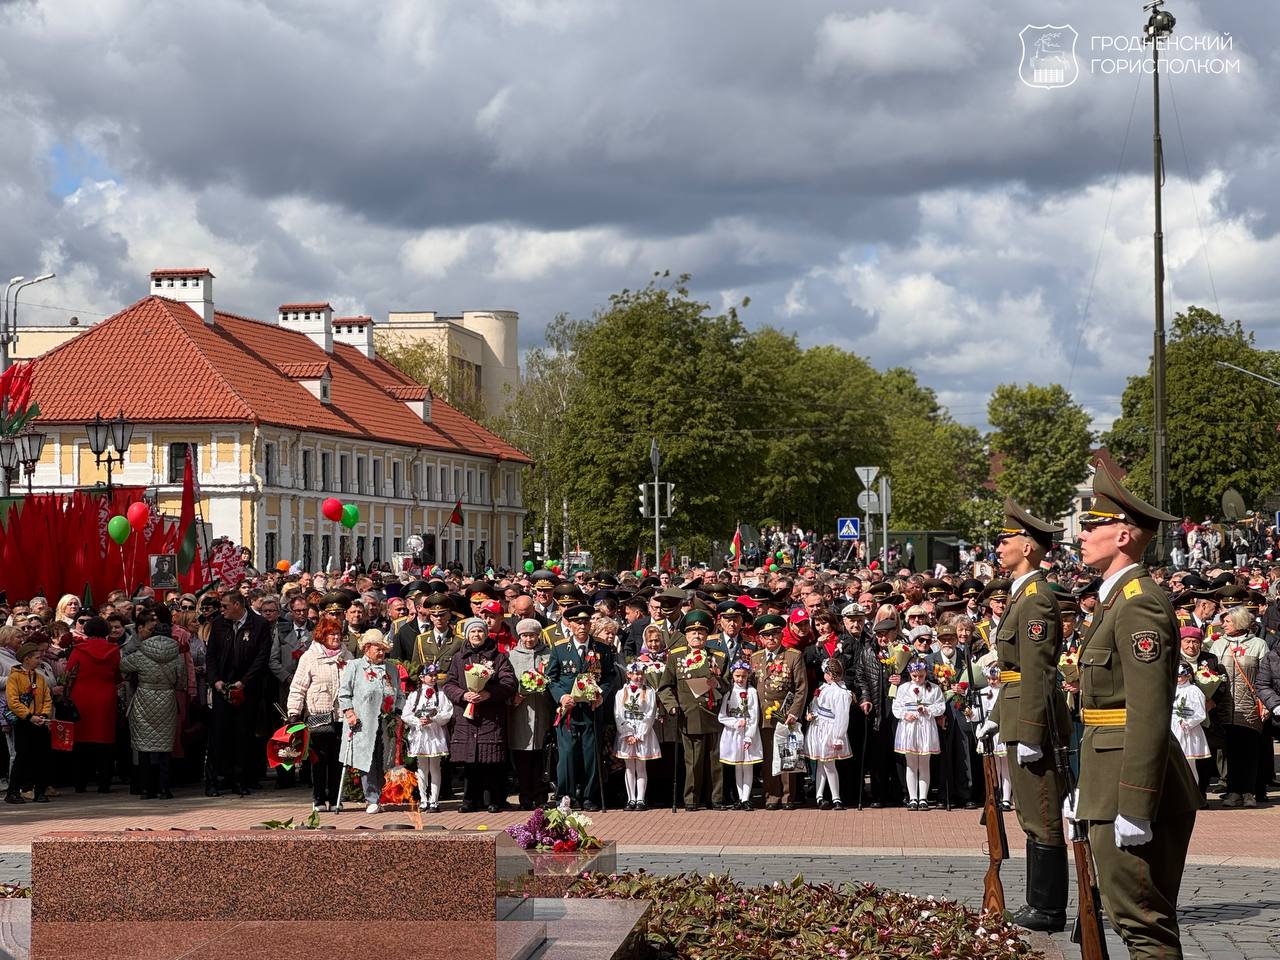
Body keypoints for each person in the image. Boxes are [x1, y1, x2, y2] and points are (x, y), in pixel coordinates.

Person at [1075, 462, 1199, 960]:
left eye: (1092, 525)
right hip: (1109, 779)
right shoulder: (1115, 602)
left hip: (1130, 786)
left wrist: (1136, 803)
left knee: (1144, 926)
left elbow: (1148, 710)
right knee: (1131, 919)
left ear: (1123, 535)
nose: (1082, 534)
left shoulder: (1137, 604)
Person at [984, 498, 1070, 932]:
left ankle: (1048, 908)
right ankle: (1038, 901)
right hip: (1018, 711)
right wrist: (999, 714)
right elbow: (1014, 672)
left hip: (1032, 718)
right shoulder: (1022, 595)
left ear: (1029, 547)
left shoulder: (1036, 599)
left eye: (1007, 540)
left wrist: (1032, 731)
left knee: (1042, 812)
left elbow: (1037, 671)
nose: (999, 547)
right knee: (1030, 813)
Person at [546, 604, 617, 810]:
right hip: (568, 711)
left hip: (591, 710)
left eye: (586, 622)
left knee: (590, 755)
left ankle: (589, 797)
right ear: (570, 624)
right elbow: (551, 677)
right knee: (567, 755)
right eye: (578, 623)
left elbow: (610, 676)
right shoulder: (560, 648)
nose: (582, 626)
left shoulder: (602, 648)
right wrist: (561, 697)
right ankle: (565, 796)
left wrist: (601, 694)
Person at [444, 617, 517, 813]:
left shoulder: (498, 657)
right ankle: (470, 800)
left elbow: (509, 682)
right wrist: (463, 695)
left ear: (486, 634)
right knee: (470, 762)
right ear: (467, 635)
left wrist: (489, 693)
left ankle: (495, 800)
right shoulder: (459, 658)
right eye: (473, 632)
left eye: (480, 631)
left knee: (491, 760)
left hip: (490, 716)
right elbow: (449, 684)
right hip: (467, 716)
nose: (477, 635)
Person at [658, 609, 728, 811]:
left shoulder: (718, 657)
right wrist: (672, 706)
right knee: (693, 761)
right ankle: (691, 799)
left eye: (701, 632)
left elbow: (728, 685)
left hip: (714, 714)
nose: (697, 636)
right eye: (693, 632)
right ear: (686, 635)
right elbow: (665, 687)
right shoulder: (676, 656)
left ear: (707, 635)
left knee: (715, 761)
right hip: (689, 714)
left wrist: (717, 682)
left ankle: (716, 798)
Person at [205, 590, 271, 796]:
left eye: (225, 606)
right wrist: (216, 681)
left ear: (237, 605)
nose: (222, 610)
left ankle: (239, 780)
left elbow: (261, 658)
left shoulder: (259, 624)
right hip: (222, 687)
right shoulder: (219, 624)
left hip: (247, 689)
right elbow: (211, 655)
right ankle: (214, 781)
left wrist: (244, 682)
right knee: (218, 736)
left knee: (243, 736)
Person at [1206, 606, 1269, 807]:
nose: (1223, 624)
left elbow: (1266, 675)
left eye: (1227, 621)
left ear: (1239, 622)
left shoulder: (1258, 645)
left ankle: (1249, 792)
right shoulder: (1218, 645)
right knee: (1230, 752)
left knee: (1250, 750)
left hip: (1250, 707)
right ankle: (1233, 791)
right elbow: (1209, 672)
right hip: (1224, 707)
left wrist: (1265, 702)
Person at [119, 605, 183, 799]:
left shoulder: (141, 652)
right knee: (165, 747)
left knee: (143, 746)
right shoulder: (177, 654)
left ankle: (146, 789)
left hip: (143, 698)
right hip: (167, 699)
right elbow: (181, 681)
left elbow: (123, 666)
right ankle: (164, 789)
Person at [338, 629, 401, 814]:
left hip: (386, 722)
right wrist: (349, 712)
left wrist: (398, 712)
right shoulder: (355, 666)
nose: (381, 653)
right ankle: (371, 798)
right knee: (367, 759)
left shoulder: (391, 668)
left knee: (384, 758)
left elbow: (400, 694)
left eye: (383, 649)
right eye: (377, 649)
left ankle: (381, 796)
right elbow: (344, 693)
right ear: (366, 648)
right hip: (362, 722)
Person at [286, 619, 347, 813]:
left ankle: (335, 798)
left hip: (341, 717)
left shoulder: (348, 656)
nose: (336, 637)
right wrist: (294, 713)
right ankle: (319, 798)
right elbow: (298, 687)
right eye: (331, 634)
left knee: (338, 760)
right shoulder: (309, 657)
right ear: (322, 636)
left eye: (338, 633)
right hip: (318, 715)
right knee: (318, 760)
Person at [749, 615, 807, 810]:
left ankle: (787, 797)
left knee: (787, 756)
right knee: (768, 757)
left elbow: (801, 688)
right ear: (760, 639)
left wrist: (794, 712)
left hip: (785, 714)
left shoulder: (793, 655)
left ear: (781, 635)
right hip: (764, 715)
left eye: (774, 634)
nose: (771, 638)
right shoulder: (755, 658)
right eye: (766, 635)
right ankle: (772, 796)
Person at [65, 616, 121, 793]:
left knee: (80, 741)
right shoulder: (114, 650)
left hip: (81, 697)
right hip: (105, 697)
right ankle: (104, 783)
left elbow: (69, 672)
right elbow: (118, 674)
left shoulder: (79, 649)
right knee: (105, 740)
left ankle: (79, 783)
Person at [507, 618, 553, 811]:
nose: (528, 639)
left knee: (542, 757)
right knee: (523, 758)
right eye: (525, 636)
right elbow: (507, 682)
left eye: (532, 635)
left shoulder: (548, 654)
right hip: (521, 714)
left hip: (543, 711)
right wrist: (513, 698)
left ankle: (541, 797)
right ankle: (525, 796)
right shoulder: (511, 656)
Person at [892, 659, 944, 810]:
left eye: (920, 676)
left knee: (924, 763)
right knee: (911, 764)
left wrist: (927, 710)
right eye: (914, 676)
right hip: (909, 728)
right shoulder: (903, 688)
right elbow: (896, 706)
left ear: (926, 673)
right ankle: (913, 797)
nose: (917, 679)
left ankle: (923, 798)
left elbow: (941, 706)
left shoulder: (933, 688)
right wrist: (905, 715)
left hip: (925, 726)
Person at [401, 665, 453, 812]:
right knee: (422, 767)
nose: (434, 678)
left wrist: (434, 719)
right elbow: (406, 714)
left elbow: (448, 713)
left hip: (435, 736)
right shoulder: (415, 695)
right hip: (420, 735)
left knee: (435, 767)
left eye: (435, 675)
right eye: (431, 675)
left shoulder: (441, 694)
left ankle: (434, 800)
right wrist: (418, 721)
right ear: (422, 677)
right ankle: (423, 799)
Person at [5, 642, 52, 804]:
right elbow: (13, 702)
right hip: (24, 722)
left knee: (41, 757)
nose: (39, 660)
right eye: (36, 658)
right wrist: (29, 716)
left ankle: (40, 791)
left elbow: (47, 698)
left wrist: (44, 714)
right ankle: (13, 791)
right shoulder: (14, 677)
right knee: (22, 757)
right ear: (27, 659)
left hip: (40, 721)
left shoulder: (39, 677)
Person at [805, 658, 853, 810]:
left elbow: (842, 716)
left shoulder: (841, 693)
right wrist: (811, 714)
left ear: (830, 674)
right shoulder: (824, 688)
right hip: (819, 727)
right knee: (821, 762)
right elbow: (815, 705)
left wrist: (838, 737)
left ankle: (836, 797)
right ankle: (819, 796)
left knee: (829, 764)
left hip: (830, 730)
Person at [614, 661, 661, 811]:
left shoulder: (649, 692)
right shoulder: (621, 693)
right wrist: (627, 733)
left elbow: (650, 713)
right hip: (626, 734)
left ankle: (640, 799)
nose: (638, 677)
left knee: (641, 766)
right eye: (635, 674)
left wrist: (640, 733)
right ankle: (631, 799)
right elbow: (618, 714)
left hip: (642, 733)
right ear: (628, 675)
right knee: (629, 767)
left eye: (641, 674)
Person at [716, 660, 762, 810]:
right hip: (733, 734)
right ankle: (740, 797)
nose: (740, 679)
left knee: (747, 765)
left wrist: (749, 735)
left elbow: (754, 715)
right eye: (737, 676)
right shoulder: (729, 693)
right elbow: (722, 716)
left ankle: (746, 798)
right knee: (737, 765)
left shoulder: (752, 692)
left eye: (743, 676)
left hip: (748, 733)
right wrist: (735, 722)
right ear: (732, 676)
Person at [1171, 662, 1209, 784]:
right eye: (1176, 675)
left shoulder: (1194, 691)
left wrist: (1188, 723)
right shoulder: (1171, 689)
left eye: (1181, 675)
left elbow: (1200, 713)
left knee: (1188, 764)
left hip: (1187, 731)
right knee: (1173, 763)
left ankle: (1192, 792)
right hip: (1172, 728)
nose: (1178, 678)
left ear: (1188, 675)